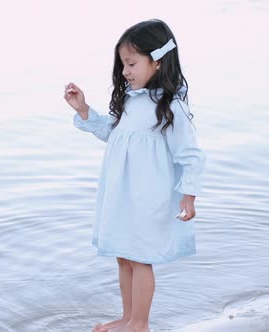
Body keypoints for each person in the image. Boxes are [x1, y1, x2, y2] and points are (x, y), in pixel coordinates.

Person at [63, 19, 206, 332]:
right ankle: (127, 318)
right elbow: (114, 135)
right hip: (121, 193)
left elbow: (190, 154)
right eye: (123, 64)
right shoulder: (130, 98)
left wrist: (189, 194)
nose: (125, 71)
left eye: (131, 63)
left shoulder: (169, 107)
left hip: (149, 195)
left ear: (157, 62)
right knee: (123, 256)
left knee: (140, 258)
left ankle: (140, 324)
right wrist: (84, 110)